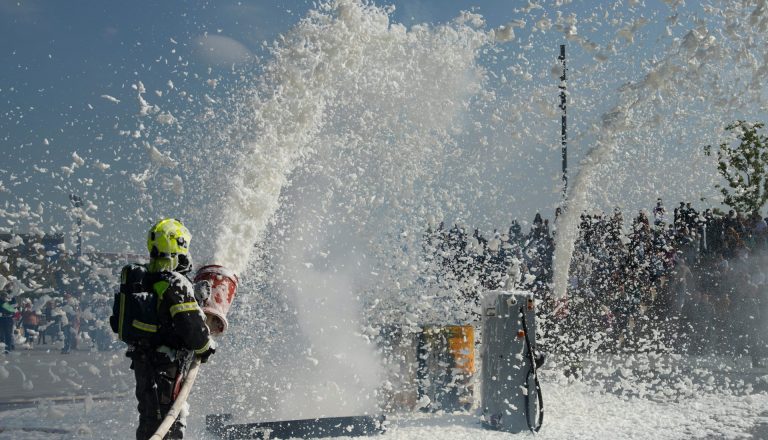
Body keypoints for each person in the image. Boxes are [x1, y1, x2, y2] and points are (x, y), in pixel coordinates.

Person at [118, 218, 215, 440]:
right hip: (166, 367)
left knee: (151, 419)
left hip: (145, 364)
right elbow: (193, 331)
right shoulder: (174, 283)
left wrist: (195, 296)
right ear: (178, 246)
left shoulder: (146, 279)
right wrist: (206, 347)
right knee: (167, 424)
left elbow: (165, 314)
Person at [0, 285, 17, 353]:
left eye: (4, 296)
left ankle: (8, 348)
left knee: (8, 334)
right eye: (2, 296)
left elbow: (13, 305)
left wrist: (10, 291)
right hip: (1, 319)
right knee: (1, 334)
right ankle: (2, 348)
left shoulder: (9, 302)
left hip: (8, 319)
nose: (3, 297)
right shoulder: (1, 302)